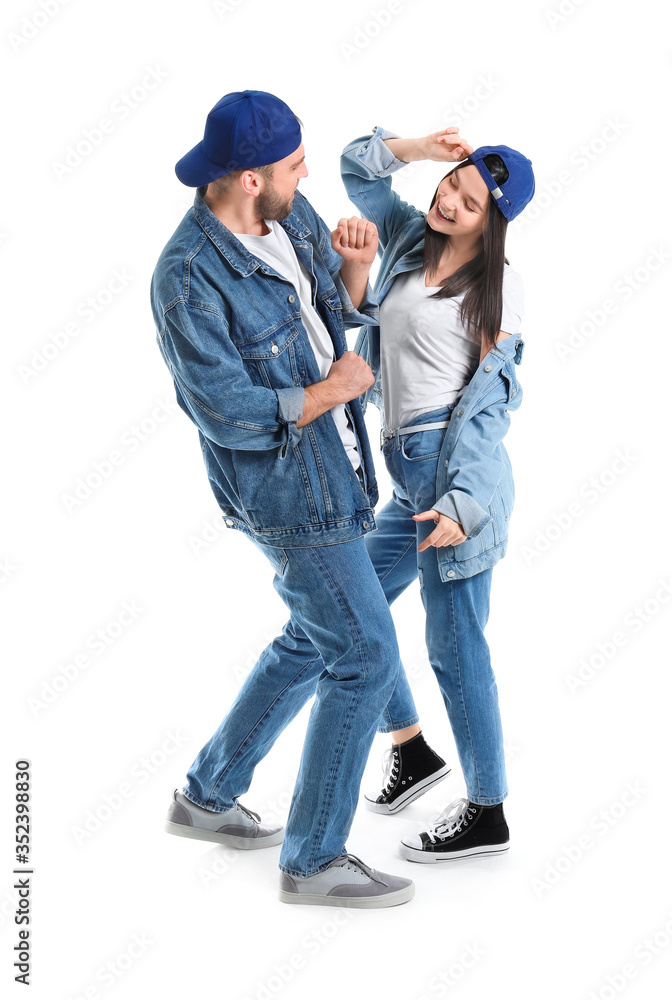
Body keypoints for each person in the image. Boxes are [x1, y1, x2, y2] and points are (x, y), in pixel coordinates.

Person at [150, 91, 414, 907]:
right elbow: (229, 413)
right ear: (251, 178)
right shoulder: (187, 276)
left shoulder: (292, 219)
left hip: (340, 466)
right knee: (364, 653)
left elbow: (327, 311)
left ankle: (208, 794)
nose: (309, 176)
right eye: (296, 166)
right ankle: (314, 860)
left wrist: (357, 269)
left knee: (315, 635)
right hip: (284, 491)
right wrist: (334, 388)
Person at [339, 124, 535, 862]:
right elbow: (356, 165)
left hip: (452, 484)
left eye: (472, 202)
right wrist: (421, 146)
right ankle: (412, 750)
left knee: (457, 652)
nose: (450, 200)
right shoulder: (405, 237)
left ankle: (488, 810)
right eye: (453, 183)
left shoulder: (501, 286)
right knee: (349, 611)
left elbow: (490, 405)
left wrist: (463, 503)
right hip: (403, 482)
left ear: (495, 225)